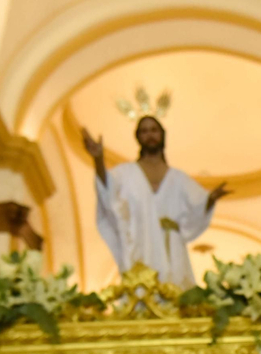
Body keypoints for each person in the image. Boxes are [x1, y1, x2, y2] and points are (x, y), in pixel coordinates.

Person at [81, 115, 231, 288]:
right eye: (144, 131)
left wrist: (210, 200)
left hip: (172, 249)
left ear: (162, 135)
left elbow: (197, 207)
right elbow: (107, 190)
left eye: (154, 130)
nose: (149, 135)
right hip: (140, 244)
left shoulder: (178, 178)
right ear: (138, 137)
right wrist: (98, 159)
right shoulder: (126, 173)